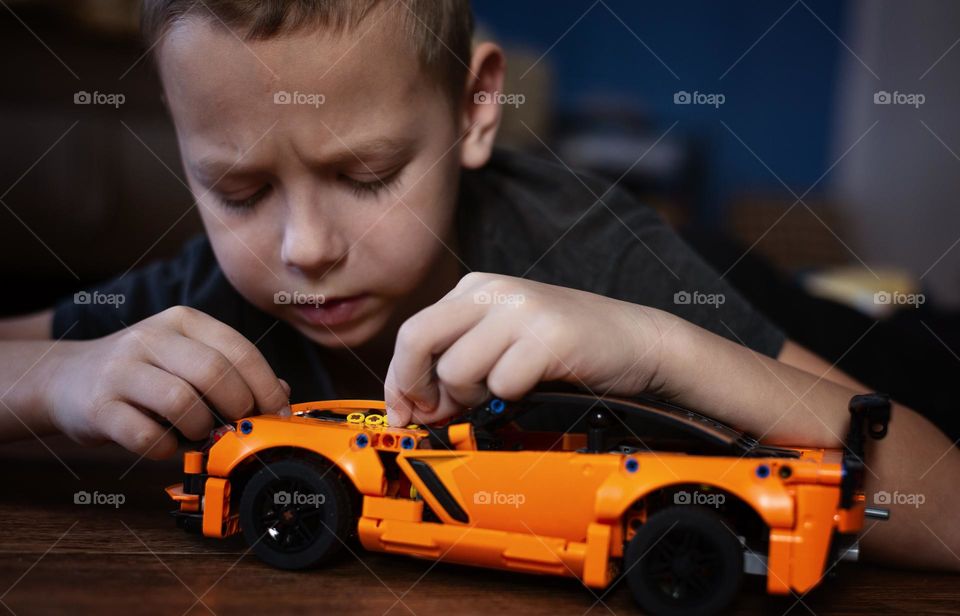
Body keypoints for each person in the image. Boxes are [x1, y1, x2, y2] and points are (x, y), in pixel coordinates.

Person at [0, 0, 955, 571]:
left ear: (474, 109)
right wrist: (55, 379)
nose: (304, 249)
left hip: (745, 292)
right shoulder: (210, 287)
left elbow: (943, 508)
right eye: (237, 188)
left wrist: (664, 350)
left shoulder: (590, 248)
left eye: (367, 175)